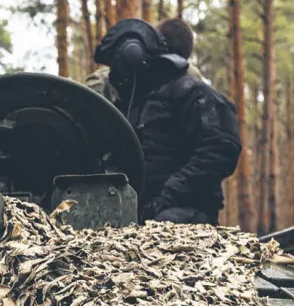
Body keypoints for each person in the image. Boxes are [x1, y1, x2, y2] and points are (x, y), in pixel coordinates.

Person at [93, 18, 242, 225]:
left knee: (163, 224)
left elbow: (222, 147)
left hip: (183, 214)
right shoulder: (137, 100)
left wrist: (169, 194)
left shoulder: (191, 92)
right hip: (142, 213)